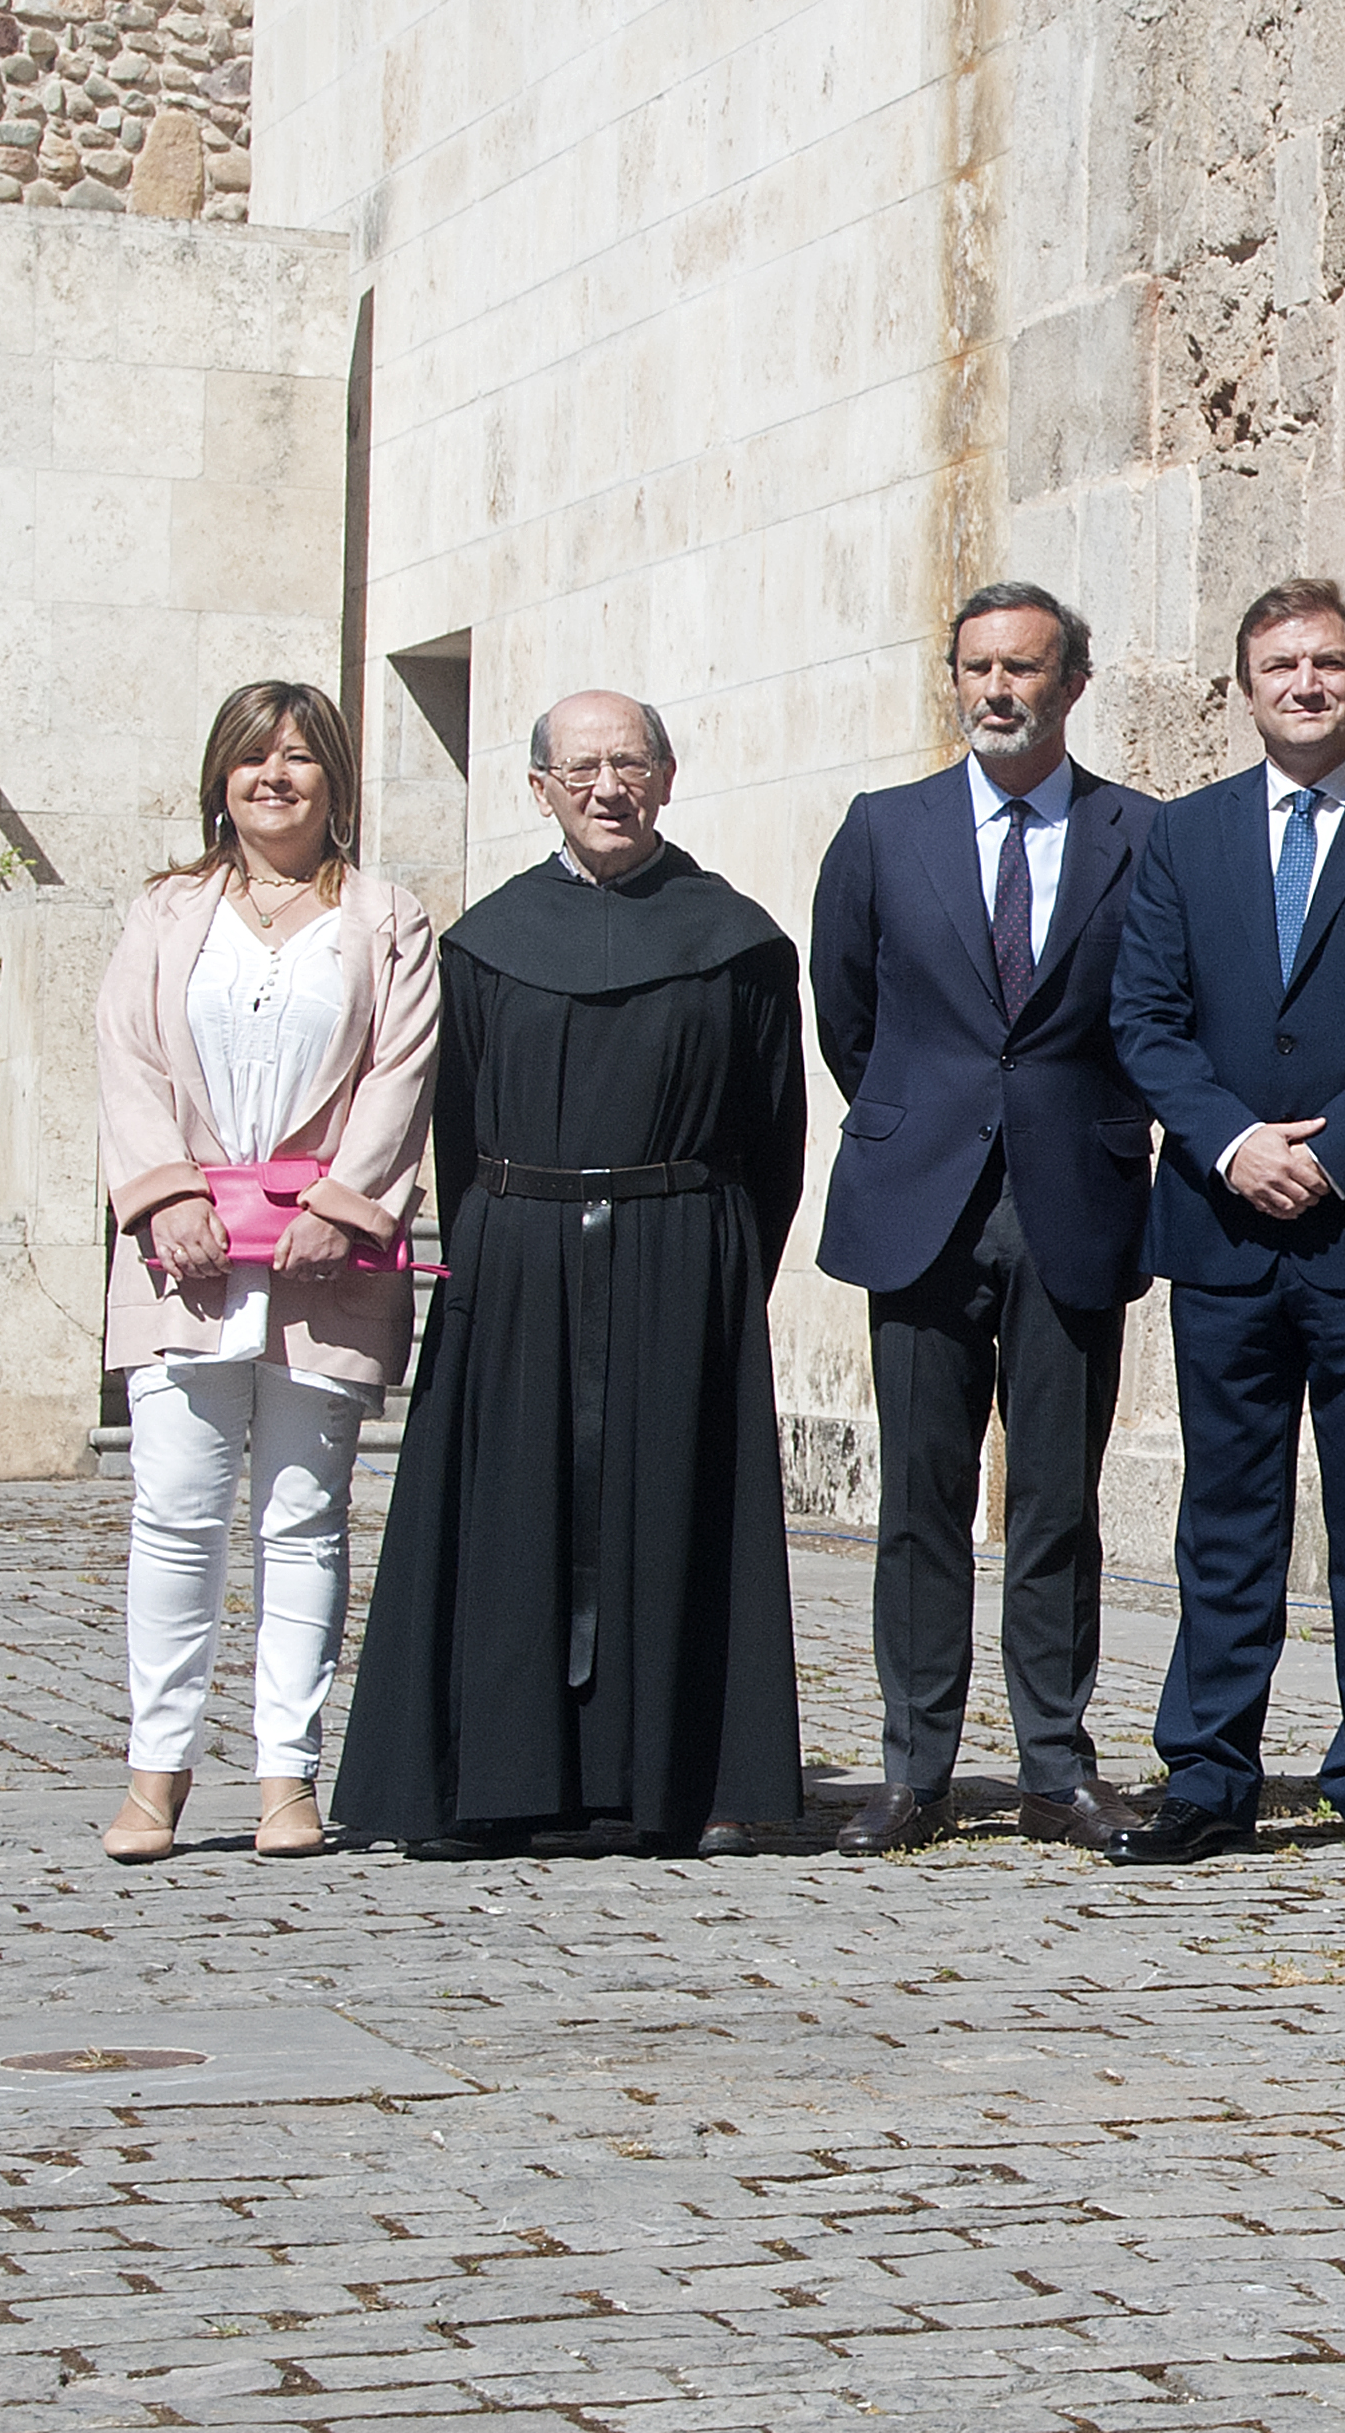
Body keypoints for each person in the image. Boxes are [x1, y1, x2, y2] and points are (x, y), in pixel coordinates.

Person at [335, 691, 809, 1858]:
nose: (610, 786)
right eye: (583, 767)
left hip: (681, 1255)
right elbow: (458, 1126)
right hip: (520, 1261)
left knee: (676, 1510)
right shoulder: (487, 941)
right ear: (539, 786)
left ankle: (677, 1782)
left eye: (632, 763)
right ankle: (495, 1775)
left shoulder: (738, 941)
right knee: (509, 1510)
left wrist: (716, 1264)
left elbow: (774, 1139)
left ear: (668, 774)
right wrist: (496, 1246)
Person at [1106, 580, 1345, 1874]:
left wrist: (1333, 1151)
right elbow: (1142, 1017)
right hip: (1219, 1227)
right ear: (1243, 684)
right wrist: (1232, 1142)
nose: (1305, 682)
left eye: (1327, 661)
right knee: (1226, 1513)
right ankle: (1207, 1773)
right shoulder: (1182, 835)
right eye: (1280, 664)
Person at [809, 584, 1159, 1860]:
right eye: (977, 667)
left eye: (1024, 666)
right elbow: (846, 1008)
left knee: (1058, 1498)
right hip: (922, 1203)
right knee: (920, 1492)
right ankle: (915, 1766)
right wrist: (925, 1124)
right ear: (954, 680)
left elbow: (1156, 1013)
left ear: (1073, 682)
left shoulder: (1139, 833)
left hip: (1076, 1196)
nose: (998, 688)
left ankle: (1057, 1767)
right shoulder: (884, 830)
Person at [89, 681, 440, 1865]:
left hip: (323, 1264)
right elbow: (127, 1062)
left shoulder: (388, 918)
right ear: (220, 777)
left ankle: (288, 1773)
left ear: (336, 780)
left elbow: (400, 1076)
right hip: (180, 1261)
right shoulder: (165, 912)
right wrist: (166, 1193)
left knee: (304, 1521)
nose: (273, 777)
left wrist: (341, 1208)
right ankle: (158, 1772)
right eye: (252, 758)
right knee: (175, 1517)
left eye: (298, 757)